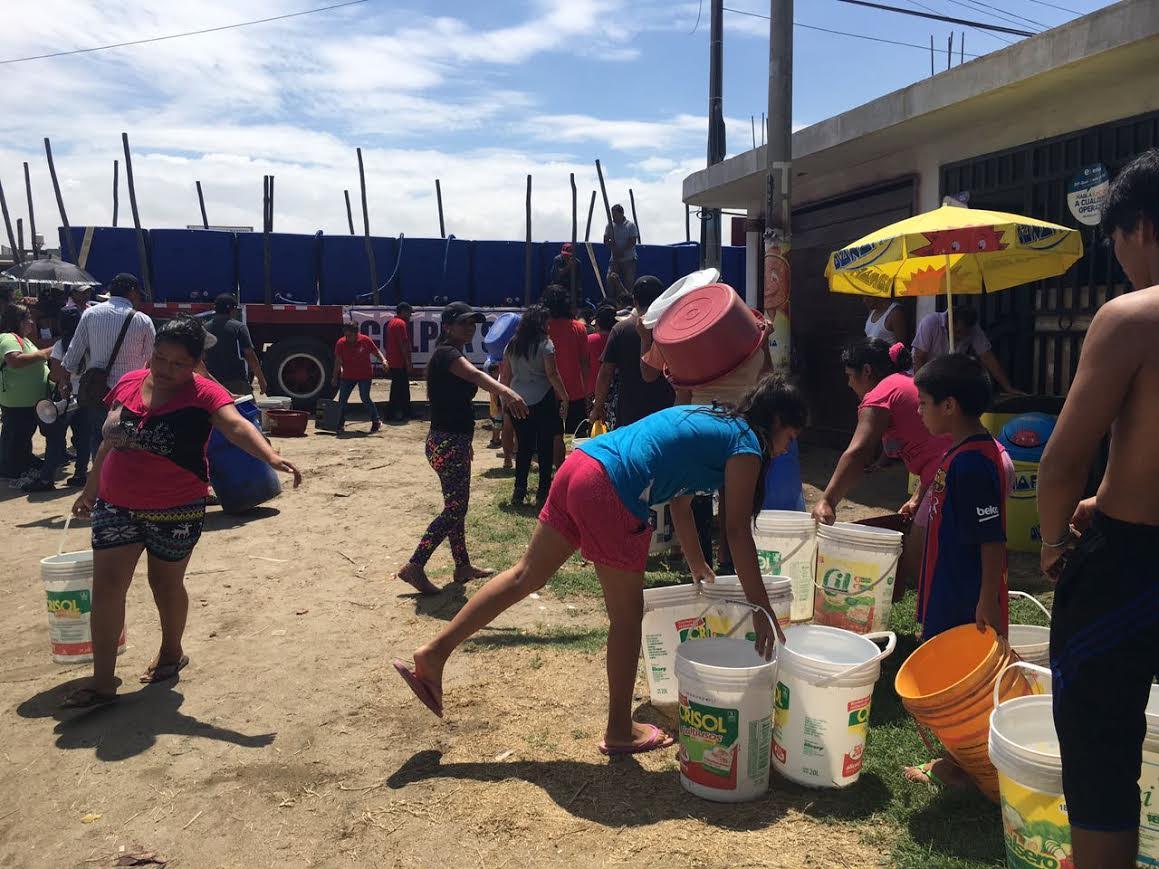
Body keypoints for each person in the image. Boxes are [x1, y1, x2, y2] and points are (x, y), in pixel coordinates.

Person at [392, 375, 806, 755]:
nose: (786, 448)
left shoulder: (713, 416)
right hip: (612, 487)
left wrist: (696, 563)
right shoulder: (748, 443)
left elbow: (681, 500)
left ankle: (434, 653)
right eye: (789, 436)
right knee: (626, 620)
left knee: (524, 576)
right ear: (774, 421)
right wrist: (762, 611)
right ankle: (619, 731)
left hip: (581, 466)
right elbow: (736, 532)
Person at [60, 317, 302, 708]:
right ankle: (103, 682)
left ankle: (171, 652)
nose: (166, 370)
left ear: (195, 364)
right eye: (160, 358)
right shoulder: (128, 382)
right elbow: (110, 442)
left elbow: (235, 426)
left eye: (178, 364)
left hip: (175, 507)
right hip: (117, 503)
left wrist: (271, 455)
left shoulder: (204, 393)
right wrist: (91, 489)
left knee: (165, 585)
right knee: (105, 587)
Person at [1037, 149, 1159, 868]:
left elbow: (1058, 462)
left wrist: (1054, 542)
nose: (1116, 259)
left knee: (1101, 752)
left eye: (1114, 240)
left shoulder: (1132, 317)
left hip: (1128, 568)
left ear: (1140, 225)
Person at [902, 353, 1009, 789]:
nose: (919, 410)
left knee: (960, 682)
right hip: (948, 584)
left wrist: (986, 596)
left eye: (924, 402)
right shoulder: (962, 452)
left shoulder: (972, 464)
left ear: (949, 405)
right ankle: (962, 761)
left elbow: (992, 538)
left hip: (965, 593)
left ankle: (964, 765)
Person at [397, 302, 528, 595]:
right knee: (456, 508)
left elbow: (453, 401)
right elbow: (474, 377)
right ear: (447, 327)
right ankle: (415, 565)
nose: (470, 328)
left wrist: (466, 442)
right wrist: (507, 392)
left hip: (451, 440)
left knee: (456, 508)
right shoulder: (448, 354)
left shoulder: (453, 354)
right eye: (464, 323)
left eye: (473, 324)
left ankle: (462, 566)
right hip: (446, 442)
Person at [812, 339, 953, 589]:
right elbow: (933, 446)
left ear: (867, 371)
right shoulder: (903, 383)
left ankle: (946, 622)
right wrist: (918, 497)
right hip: (980, 463)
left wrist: (828, 500)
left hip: (955, 473)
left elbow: (859, 452)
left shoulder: (882, 394)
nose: (848, 383)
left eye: (849, 375)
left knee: (916, 560)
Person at [63, 272, 155, 456]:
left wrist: (66, 381)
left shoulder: (90, 314)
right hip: (131, 394)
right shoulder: (143, 320)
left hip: (97, 391)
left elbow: (74, 352)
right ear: (132, 292)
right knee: (128, 440)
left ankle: (100, 480)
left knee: (98, 437)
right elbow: (151, 361)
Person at [503, 305, 568, 506]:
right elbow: (552, 374)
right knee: (545, 447)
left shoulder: (512, 344)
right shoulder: (546, 344)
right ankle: (543, 493)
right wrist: (565, 396)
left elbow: (506, 376)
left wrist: (506, 399)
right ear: (540, 323)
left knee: (523, 446)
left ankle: (519, 490)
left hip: (517, 400)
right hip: (542, 400)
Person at [591, 276, 674, 430]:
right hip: (665, 410)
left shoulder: (621, 329)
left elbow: (605, 373)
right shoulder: (670, 328)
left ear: (634, 301)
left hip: (630, 412)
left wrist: (598, 406)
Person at [912, 306, 1019, 394]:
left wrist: (1008, 388)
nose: (962, 337)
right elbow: (918, 358)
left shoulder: (973, 329)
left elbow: (987, 357)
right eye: (958, 332)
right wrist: (922, 389)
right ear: (949, 321)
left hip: (947, 380)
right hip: (924, 378)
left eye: (965, 334)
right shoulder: (930, 323)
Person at [0, 304, 51, 481]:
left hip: (28, 400)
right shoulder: (8, 338)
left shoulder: (24, 339)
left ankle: (23, 461)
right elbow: (14, 361)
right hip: (17, 401)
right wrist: (46, 353)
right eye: (29, 318)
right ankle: (11, 469)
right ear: (19, 321)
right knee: (15, 435)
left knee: (23, 434)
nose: (32, 322)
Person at [542, 284, 588, 460]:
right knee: (580, 435)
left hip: (548, 389)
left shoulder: (543, 329)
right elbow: (584, 363)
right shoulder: (579, 328)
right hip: (575, 390)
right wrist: (586, 391)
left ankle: (559, 470)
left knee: (555, 434)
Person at [204, 294, 266, 396]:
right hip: (236, 382)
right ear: (232, 310)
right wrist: (261, 379)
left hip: (213, 383)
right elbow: (250, 355)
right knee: (246, 410)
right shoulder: (239, 327)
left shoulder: (205, 328)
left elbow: (202, 356)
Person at [332, 322, 387, 434]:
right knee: (342, 400)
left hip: (364, 375)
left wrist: (384, 361)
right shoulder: (341, 343)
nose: (348, 338)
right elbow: (337, 361)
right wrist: (334, 377)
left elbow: (376, 352)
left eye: (350, 336)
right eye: (346, 335)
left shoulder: (365, 340)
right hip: (348, 375)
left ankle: (376, 421)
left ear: (356, 333)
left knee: (365, 398)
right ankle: (340, 423)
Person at [385, 302, 414, 422]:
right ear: (403, 311)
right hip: (399, 361)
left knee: (402, 387)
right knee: (398, 389)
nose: (410, 316)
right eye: (408, 313)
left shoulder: (392, 322)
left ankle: (407, 411)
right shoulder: (401, 324)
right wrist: (408, 362)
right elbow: (403, 344)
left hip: (394, 360)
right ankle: (391, 413)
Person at [603, 205, 639, 298]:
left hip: (628, 259)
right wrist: (613, 248)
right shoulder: (610, 226)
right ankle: (611, 301)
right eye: (612, 215)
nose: (613, 217)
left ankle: (628, 302)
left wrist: (622, 251)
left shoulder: (630, 226)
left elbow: (632, 241)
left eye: (615, 215)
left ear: (621, 214)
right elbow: (606, 240)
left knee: (628, 282)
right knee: (610, 278)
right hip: (614, 259)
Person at [586, 305, 616, 405]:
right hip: (615, 393)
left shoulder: (589, 340)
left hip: (593, 392)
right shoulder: (618, 339)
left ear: (597, 323)